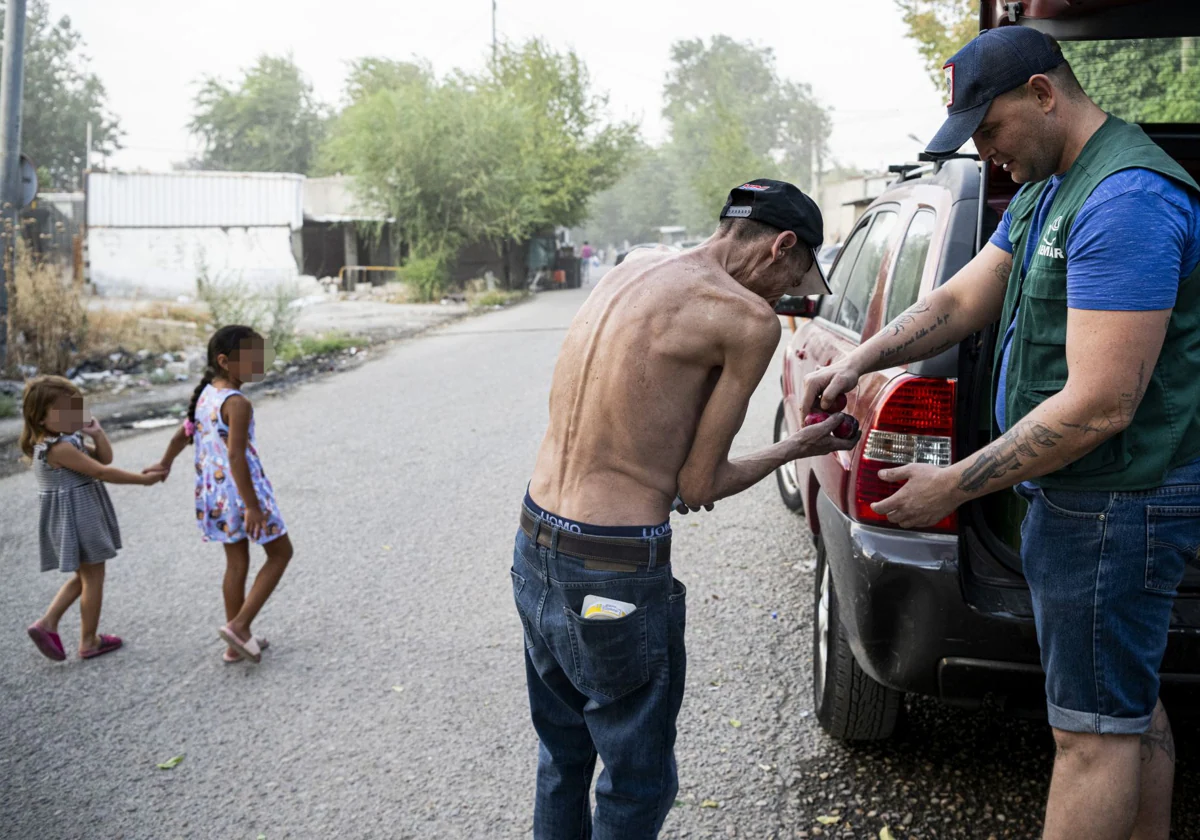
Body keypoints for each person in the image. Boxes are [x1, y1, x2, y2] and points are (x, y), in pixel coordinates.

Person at [801, 27, 1200, 840]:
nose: (986, 153)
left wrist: (954, 484)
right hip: (1085, 498)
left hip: (1116, 502)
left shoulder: (1125, 201)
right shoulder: (1050, 188)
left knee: (1087, 740)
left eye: (991, 130)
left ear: (1044, 95)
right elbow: (958, 299)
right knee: (1122, 708)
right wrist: (860, 361)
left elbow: (1099, 406)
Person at [512, 179, 854, 838]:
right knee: (636, 779)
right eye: (794, 279)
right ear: (783, 244)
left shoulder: (627, 271)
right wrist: (799, 445)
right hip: (612, 568)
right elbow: (699, 486)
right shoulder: (744, 319)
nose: (783, 297)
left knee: (562, 756)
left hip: (534, 541)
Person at [150, 325, 293, 664]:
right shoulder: (237, 402)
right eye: (253, 358)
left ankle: (235, 642)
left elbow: (182, 434)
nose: (261, 363)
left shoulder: (206, 394)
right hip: (242, 493)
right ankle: (240, 626)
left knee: (237, 561)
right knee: (280, 553)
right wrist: (253, 507)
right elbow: (236, 456)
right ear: (225, 361)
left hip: (214, 494)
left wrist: (164, 464)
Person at [21, 376, 165, 662]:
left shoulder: (66, 439)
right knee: (94, 576)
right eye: (63, 411)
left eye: (76, 408)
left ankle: (47, 623)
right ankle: (89, 641)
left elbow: (104, 459)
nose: (73, 415)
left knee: (85, 575)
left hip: (78, 514)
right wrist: (143, 481)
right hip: (77, 517)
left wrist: (97, 433)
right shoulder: (57, 449)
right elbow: (102, 473)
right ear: (40, 418)